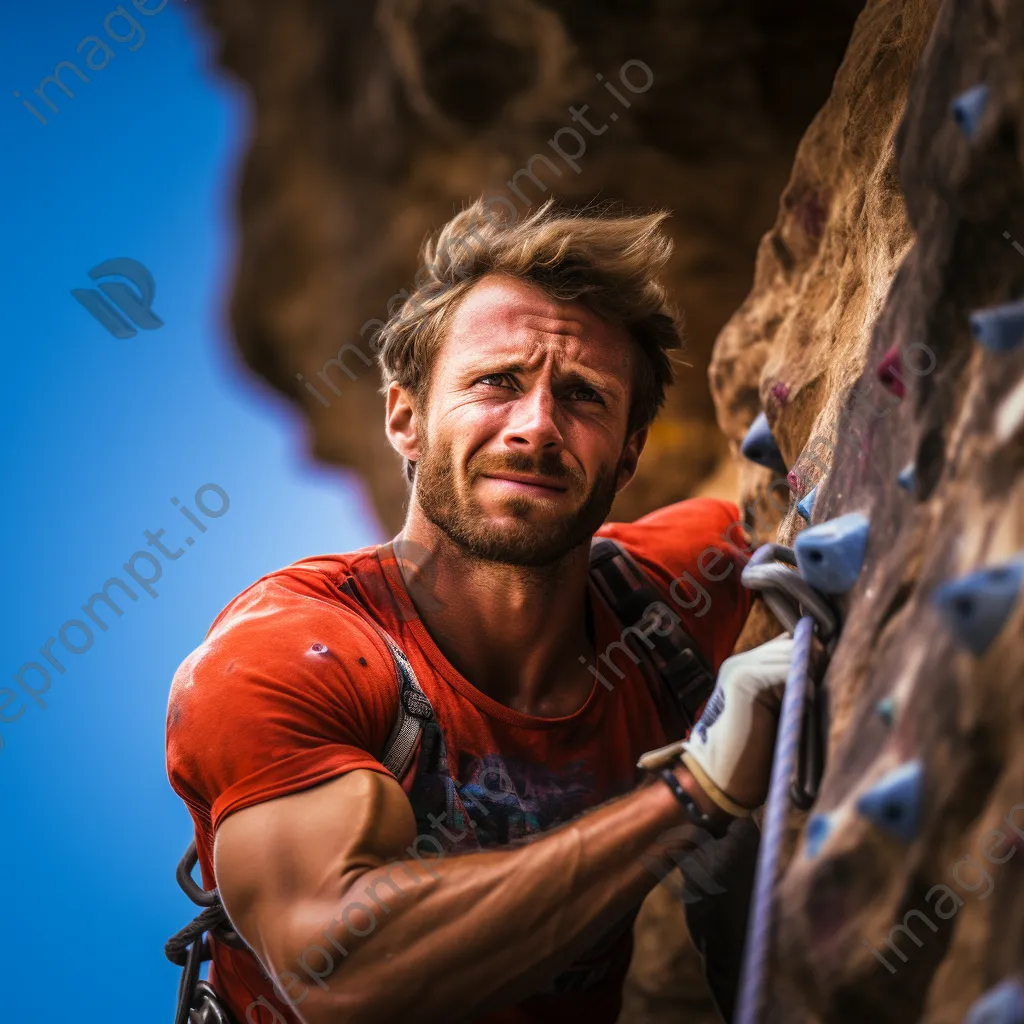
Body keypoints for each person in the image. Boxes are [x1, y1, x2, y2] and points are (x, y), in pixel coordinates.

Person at [165, 198, 794, 1024]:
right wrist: (694, 794)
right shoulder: (292, 655)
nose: (536, 428)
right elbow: (336, 968)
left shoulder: (675, 597)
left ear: (631, 453)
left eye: (584, 397)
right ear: (406, 418)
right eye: (496, 382)